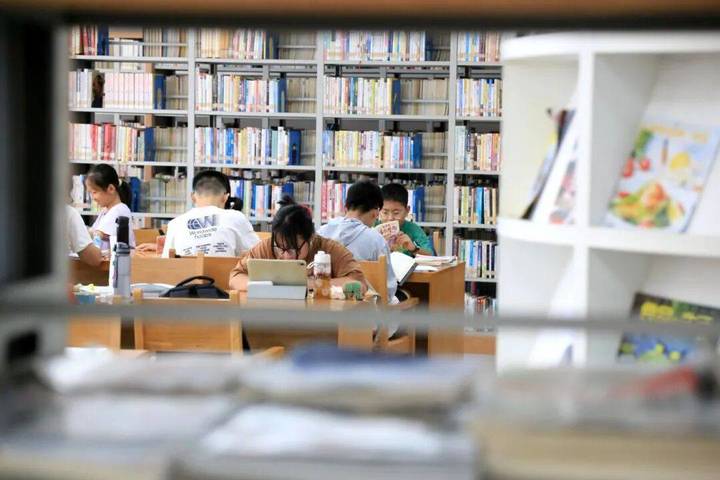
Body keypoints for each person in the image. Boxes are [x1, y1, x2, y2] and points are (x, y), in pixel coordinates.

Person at [229, 196, 367, 293]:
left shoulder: (329, 249)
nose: (286, 257)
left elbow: (359, 284)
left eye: (293, 249)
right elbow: (235, 278)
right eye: (280, 249)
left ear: (311, 237)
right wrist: (269, 286)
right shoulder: (267, 247)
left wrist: (313, 284)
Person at [318, 180, 397, 301]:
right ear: (375, 213)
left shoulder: (321, 233)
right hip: (365, 308)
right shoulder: (376, 240)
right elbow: (388, 290)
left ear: (346, 207)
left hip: (323, 302)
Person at [162, 170, 259, 258]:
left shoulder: (175, 224)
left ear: (193, 197)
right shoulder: (236, 217)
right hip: (226, 272)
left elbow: (166, 262)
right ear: (225, 197)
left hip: (187, 272)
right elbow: (259, 255)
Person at [85, 164, 136, 285]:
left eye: (94, 192)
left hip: (117, 269)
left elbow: (98, 234)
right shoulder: (106, 211)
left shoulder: (119, 210)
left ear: (111, 189)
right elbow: (93, 232)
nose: (93, 198)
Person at [377, 183, 434, 257]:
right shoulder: (373, 228)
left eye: (396, 213)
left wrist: (413, 248)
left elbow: (430, 256)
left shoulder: (414, 229)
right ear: (378, 211)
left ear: (407, 211)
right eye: (385, 212)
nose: (390, 218)